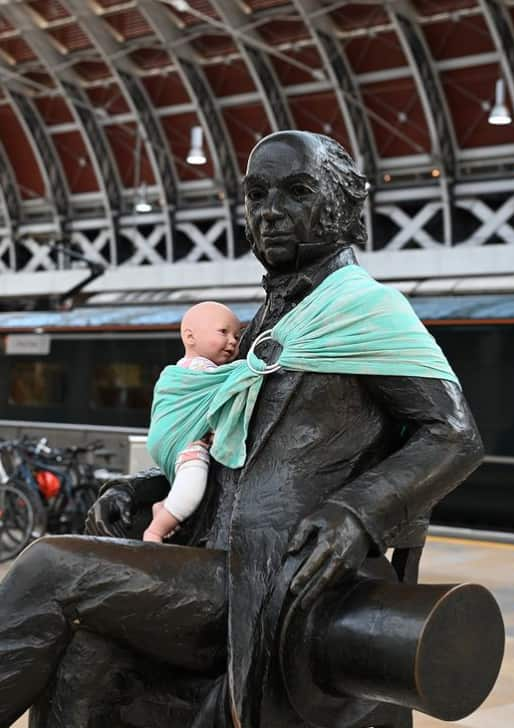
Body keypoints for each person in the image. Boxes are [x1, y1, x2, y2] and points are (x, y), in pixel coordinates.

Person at [0, 131, 484, 728]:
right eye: (257, 195)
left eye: (296, 191)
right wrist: (150, 487)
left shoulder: (369, 310)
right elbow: (232, 449)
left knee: (49, 565)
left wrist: (356, 514)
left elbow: (454, 434)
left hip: (281, 575)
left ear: (342, 205)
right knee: (85, 659)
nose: (271, 213)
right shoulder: (262, 324)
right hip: (216, 563)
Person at [143, 301, 241, 543]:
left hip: (169, 438)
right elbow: (233, 381)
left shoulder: (192, 369)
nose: (232, 341)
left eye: (237, 336)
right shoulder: (200, 369)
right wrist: (251, 368)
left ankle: (164, 506)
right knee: (191, 490)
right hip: (185, 441)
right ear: (190, 337)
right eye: (223, 332)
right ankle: (155, 531)